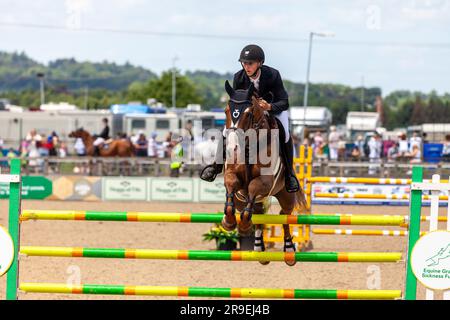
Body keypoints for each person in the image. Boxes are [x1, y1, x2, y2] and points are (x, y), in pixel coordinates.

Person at [200, 44, 299, 192]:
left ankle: (290, 175)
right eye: (244, 63)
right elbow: (237, 101)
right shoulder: (238, 77)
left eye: (250, 63)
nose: (246, 66)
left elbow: (284, 102)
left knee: (285, 134)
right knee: (227, 130)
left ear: (260, 63)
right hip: (250, 113)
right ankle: (216, 166)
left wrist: (269, 107)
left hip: (274, 110)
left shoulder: (273, 75)